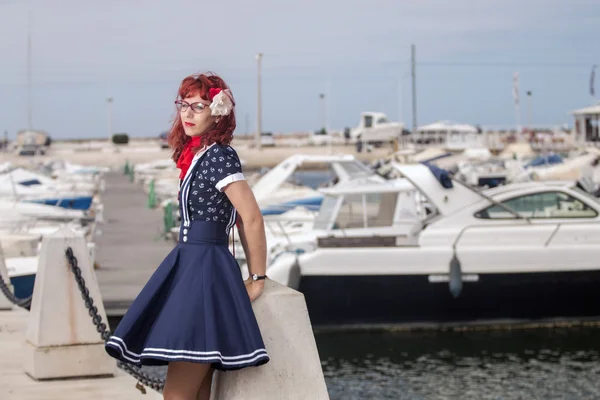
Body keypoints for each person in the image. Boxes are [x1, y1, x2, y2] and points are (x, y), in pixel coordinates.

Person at [105, 72, 270, 400]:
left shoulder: (219, 157)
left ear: (217, 112)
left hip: (205, 271)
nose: (188, 113)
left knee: (176, 393)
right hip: (191, 266)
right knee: (195, 391)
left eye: (198, 106)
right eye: (183, 104)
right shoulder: (201, 156)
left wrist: (257, 276)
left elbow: (249, 216)